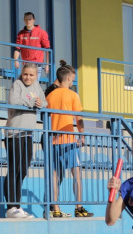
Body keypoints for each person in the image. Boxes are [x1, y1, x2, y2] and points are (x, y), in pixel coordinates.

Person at [45, 62, 92, 218]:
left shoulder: (50, 95)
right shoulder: (73, 95)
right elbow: (79, 118)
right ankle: (78, 207)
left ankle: (56, 208)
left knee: (54, 176)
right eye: (72, 80)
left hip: (52, 140)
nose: (72, 83)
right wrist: (82, 134)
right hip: (69, 140)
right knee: (77, 175)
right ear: (67, 79)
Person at [4, 62, 47, 219]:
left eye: (31, 75)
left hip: (28, 133)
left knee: (22, 170)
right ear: (22, 74)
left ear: (36, 76)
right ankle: (10, 207)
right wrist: (31, 103)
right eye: (26, 74)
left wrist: (40, 103)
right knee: (14, 169)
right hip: (15, 133)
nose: (28, 77)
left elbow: (44, 101)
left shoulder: (36, 86)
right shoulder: (17, 84)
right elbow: (14, 102)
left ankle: (17, 206)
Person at [13, 12, 50, 79]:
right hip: (26, 64)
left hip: (37, 64)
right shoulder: (21, 34)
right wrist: (16, 60)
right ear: (24, 20)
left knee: (33, 84)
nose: (28, 21)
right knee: (23, 84)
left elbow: (48, 50)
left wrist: (47, 64)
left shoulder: (41, 33)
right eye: (26, 19)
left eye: (30, 19)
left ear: (34, 20)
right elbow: (17, 48)